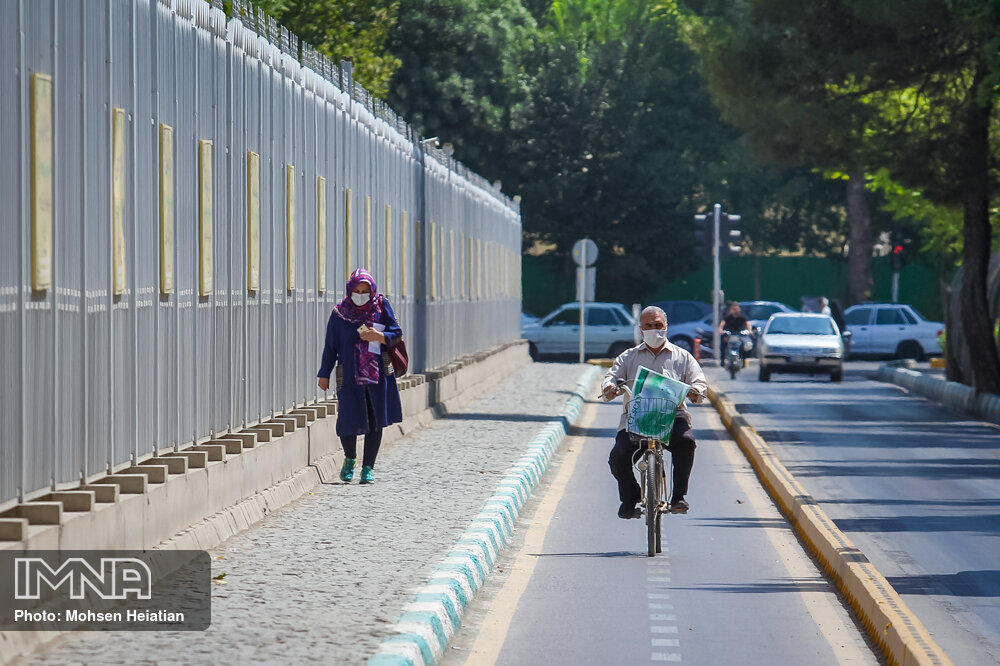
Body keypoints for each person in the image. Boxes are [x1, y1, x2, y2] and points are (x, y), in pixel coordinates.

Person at [602, 306, 709, 518]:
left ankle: (678, 497)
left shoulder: (683, 357)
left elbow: (699, 381)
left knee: (686, 442)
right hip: (636, 419)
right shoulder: (628, 357)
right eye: (649, 326)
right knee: (618, 457)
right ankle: (631, 497)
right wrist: (610, 387)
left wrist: (696, 391)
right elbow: (611, 377)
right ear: (641, 330)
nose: (654, 330)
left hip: (672, 417)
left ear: (666, 327)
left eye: (658, 325)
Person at [317, 268, 403, 484]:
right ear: (349, 290)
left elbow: (396, 333)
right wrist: (324, 374)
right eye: (357, 290)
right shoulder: (339, 314)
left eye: (365, 291)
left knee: (375, 422)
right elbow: (330, 347)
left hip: (377, 374)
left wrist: (379, 336)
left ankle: (367, 468)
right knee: (347, 418)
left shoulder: (381, 308)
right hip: (349, 375)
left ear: (372, 291)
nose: (361, 294)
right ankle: (350, 458)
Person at [718, 301, 752, 366]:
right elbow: (722, 324)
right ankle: (722, 361)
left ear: (739, 309)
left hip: (740, 335)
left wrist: (749, 330)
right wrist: (721, 330)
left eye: (736, 309)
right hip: (729, 335)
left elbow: (747, 323)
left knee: (744, 345)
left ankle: (743, 361)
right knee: (723, 344)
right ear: (730, 310)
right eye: (733, 309)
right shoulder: (728, 317)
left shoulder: (742, 317)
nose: (735, 311)